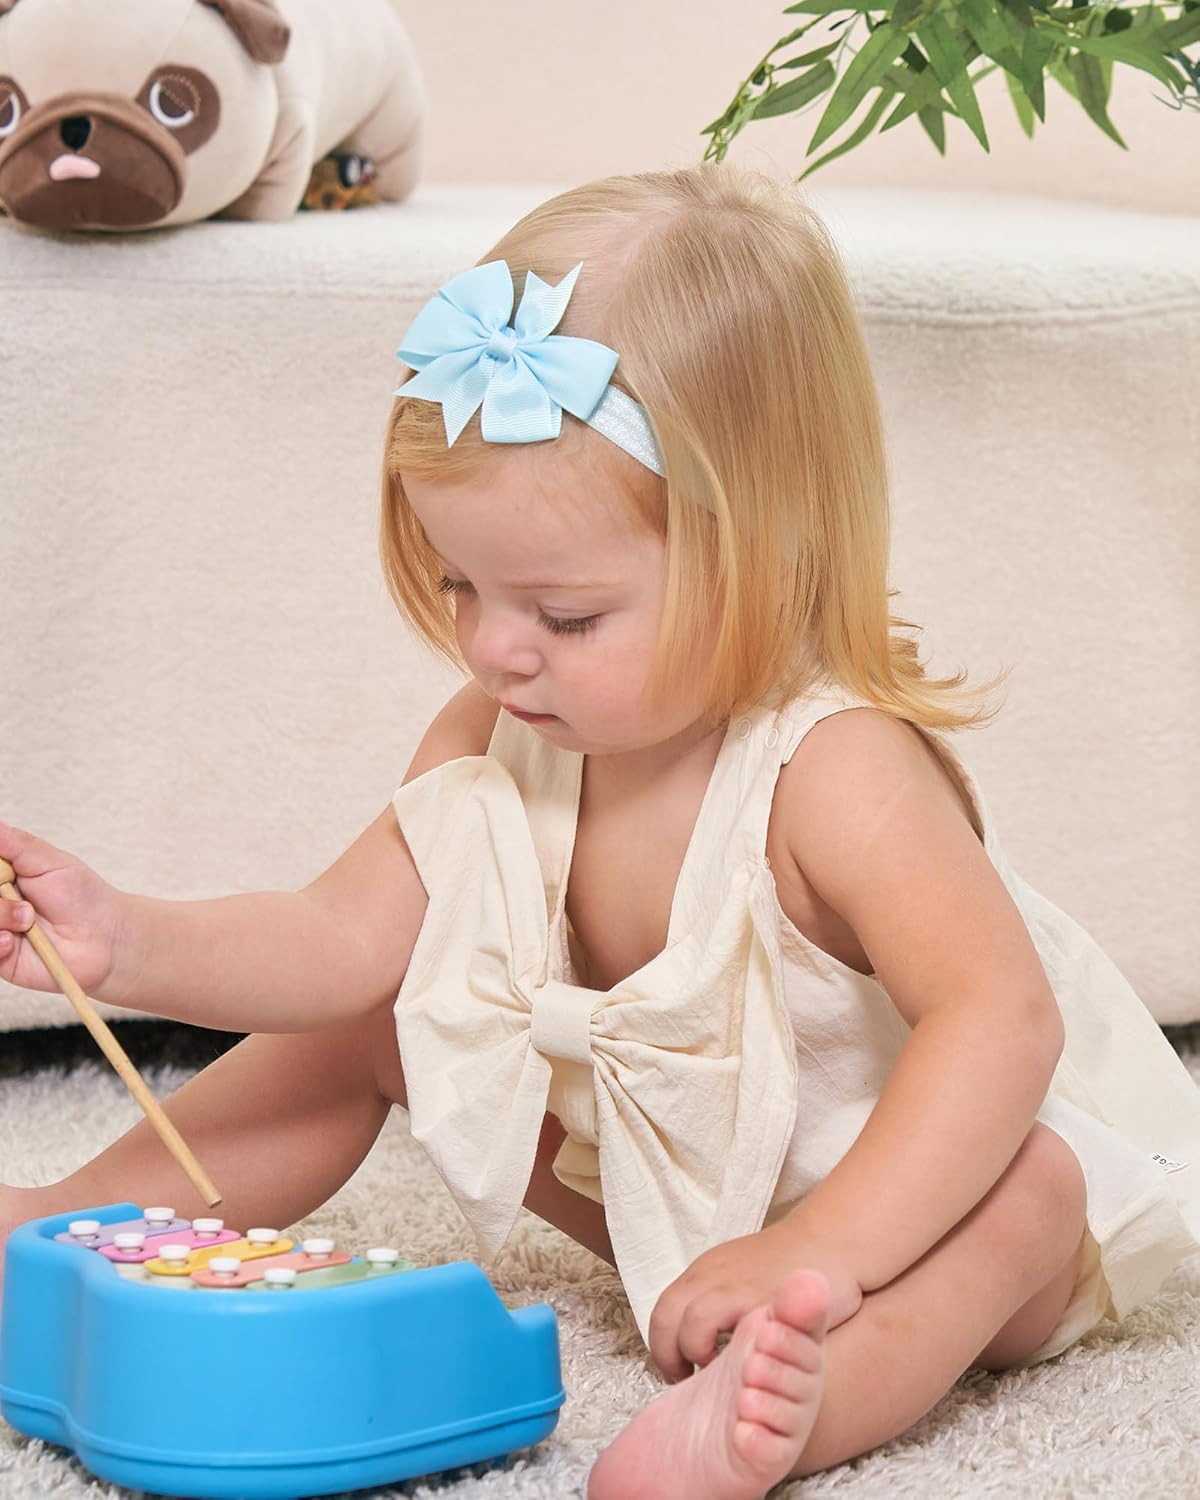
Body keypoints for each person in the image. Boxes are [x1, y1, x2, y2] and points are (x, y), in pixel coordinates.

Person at [1, 163, 1198, 1500]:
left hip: (918, 1195)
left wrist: (824, 1251)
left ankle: (784, 1411)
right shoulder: (493, 735)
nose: (493, 648)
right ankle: (46, 1231)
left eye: (565, 615)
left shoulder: (835, 771)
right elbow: (336, 942)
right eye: (461, 583)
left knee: (1030, 1191)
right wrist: (125, 941)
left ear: (764, 553)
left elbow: (1002, 1024)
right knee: (371, 1020)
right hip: (675, 1201)